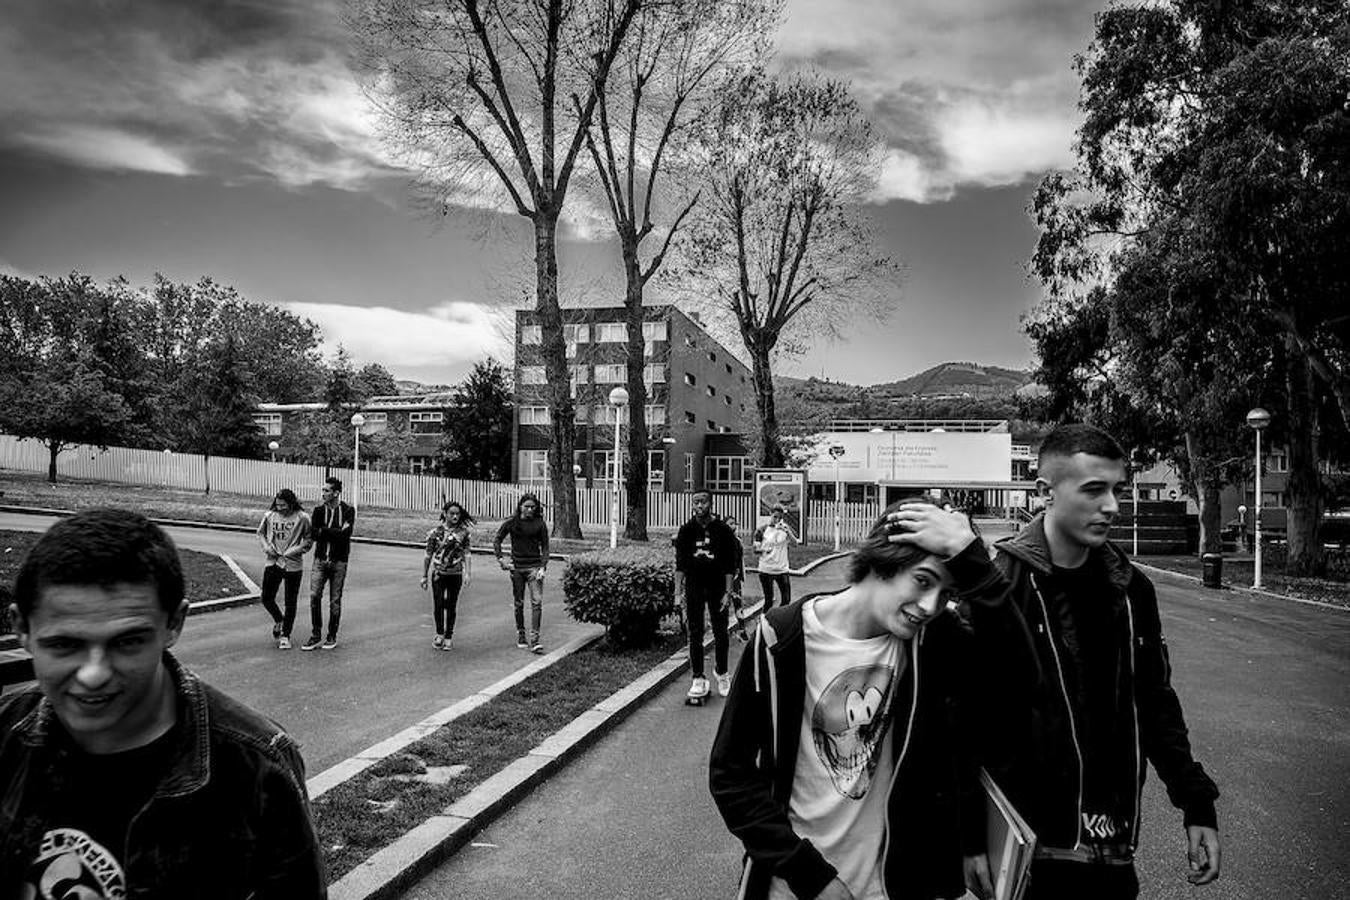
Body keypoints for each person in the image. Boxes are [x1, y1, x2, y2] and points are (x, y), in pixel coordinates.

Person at [954, 423, 1221, 899]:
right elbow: (968, 725)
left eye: (1118, 490)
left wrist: (1196, 802)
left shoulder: (1131, 588)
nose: (1112, 506)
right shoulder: (1000, 589)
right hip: (1032, 856)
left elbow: (1155, 702)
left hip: (1114, 853)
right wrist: (972, 835)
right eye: (1094, 490)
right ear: (1045, 492)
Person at [0, 508, 326, 896]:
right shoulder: (6, 735)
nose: (93, 674)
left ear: (174, 623)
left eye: (127, 642)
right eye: (65, 645)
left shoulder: (256, 769)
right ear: (21, 629)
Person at [709, 498, 995, 900]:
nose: (930, 606)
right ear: (882, 561)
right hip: (788, 886)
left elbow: (1025, 683)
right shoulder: (781, 638)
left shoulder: (933, 641)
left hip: (888, 886)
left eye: (945, 592)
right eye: (923, 581)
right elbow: (730, 774)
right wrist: (809, 876)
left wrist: (975, 561)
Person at [674, 490, 738, 700]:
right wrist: (677, 593)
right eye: (695, 502)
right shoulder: (686, 530)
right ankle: (698, 677)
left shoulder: (723, 530)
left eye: (703, 502)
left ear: (711, 503)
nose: (699, 506)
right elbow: (680, 564)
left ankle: (722, 672)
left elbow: (730, 564)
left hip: (717, 587)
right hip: (694, 587)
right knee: (695, 632)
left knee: (721, 631)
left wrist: (728, 592)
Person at [302, 476, 355, 651]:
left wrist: (324, 531)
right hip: (320, 560)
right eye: (323, 490)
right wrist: (333, 531)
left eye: (327, 490)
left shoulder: (348, 511)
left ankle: (332, 635)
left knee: (335, 600)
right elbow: (314, 534)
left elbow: (345, 536)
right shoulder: (318, 511)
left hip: (339, 561)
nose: (323, 493)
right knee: (314, 596)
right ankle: (316, 634)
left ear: (336, 493)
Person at [493, 493, 550, 654]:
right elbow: (497, 539)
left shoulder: (540, 524)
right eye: (527, 507)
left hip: (534, 568)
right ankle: (521, 634)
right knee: (519, 603)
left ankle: (535, 639)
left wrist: (543, 567)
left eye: (533, 507)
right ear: (520, 507)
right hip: (517, 568)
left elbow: (545, 546)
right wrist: (501, 559)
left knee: (537, 602)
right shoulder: (512, 523)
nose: (530, 510)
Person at [257, 488, 312, 650]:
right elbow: (260, 533)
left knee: (290, 601)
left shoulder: (302, 518)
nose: (280, 508)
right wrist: (267, 547)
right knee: (266, 597)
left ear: (291, 503)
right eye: (278, 505)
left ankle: (285, 635)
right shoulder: (270, 516)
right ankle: (279, 620)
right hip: (273, 561)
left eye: (283, 505)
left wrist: (295, 550)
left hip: (293, 565)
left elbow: (309, 539)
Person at [421, 501, 475, 651]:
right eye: (452, 514)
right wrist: (424, 576)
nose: (455, 517)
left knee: (452, 605)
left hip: (455, 573)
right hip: (439, 573)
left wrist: (468, 573)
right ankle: (439, 634)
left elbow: (467, 554)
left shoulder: (463, 533)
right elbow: (428, 555)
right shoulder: (435, 533)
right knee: (438, 604)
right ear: (445, 514)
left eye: (457, 514)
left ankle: (449, 636)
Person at [753, 506, 800, 609]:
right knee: (769, 600)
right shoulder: (761, 530)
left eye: (780, 518)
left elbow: (795, 544)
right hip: (766, 569)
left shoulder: (785, 529)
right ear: (770, 514)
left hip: (782, 569)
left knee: (786, 599)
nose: (777, 520)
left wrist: (788, 531)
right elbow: (755, 550)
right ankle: (765, 617)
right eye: (775, 517)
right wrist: (765, 550)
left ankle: (779, 617)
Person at [724, 514, 749, 642]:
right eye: (730, 523)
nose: (733, 526)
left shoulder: (738, 541)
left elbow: (740, 560)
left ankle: (742, 629)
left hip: (735, 579)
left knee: (738, 604)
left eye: (734, 523)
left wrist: (741, 576)